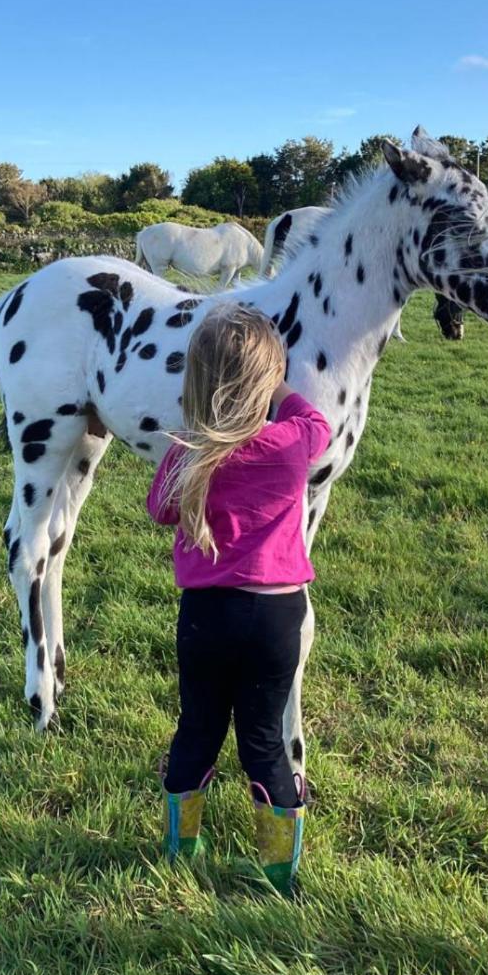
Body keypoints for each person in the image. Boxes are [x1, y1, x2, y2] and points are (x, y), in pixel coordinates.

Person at [146, 302, 330, 895]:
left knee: (196, 728)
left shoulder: (188, 453)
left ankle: (181, 855)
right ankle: (280, 874)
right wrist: (280, 391)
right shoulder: (292, 441)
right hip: (277, 615)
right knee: (265, 741)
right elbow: (318, 424)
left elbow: (159, 511)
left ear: (196, 381)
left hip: (207, 617)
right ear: (268, 381)